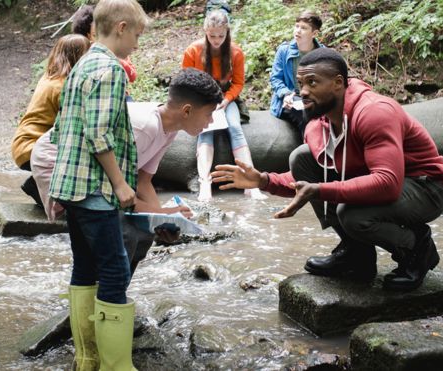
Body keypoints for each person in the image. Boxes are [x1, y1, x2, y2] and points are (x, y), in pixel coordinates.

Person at [212, 48, 443, 292]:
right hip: (382, 181)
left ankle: (417, 247)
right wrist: (263, 180)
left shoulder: (374, 112)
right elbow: (305, 178)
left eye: (313, 82)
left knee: (351, 214)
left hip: (425, 187)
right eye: (301, 83)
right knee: (302, 158)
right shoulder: (319, 122)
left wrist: (320, 190)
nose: (303, 91)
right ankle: (357, 255)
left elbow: (387, 184)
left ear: (338, 83)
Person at [32, 69, 222, 271]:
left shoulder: (169, 132)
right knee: (124, 234)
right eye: (209, 114)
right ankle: (107, 293)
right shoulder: (144, 127)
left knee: (144, 234)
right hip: (58, 162)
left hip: (100, 174)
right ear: (186, 111)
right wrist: (163, 213)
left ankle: (111, 293)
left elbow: (143, 181)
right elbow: (114, 190)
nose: (210, 121)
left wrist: (162, 221)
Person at [48, 0, 148, 369]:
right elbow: (99, 134)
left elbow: (62, 130)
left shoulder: (82, 63)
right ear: (120, 27)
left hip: (71, 186)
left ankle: (87, 358)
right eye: (136, 34)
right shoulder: (110, 69)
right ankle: (115, 365)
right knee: (115, 271)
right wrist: (122, 186)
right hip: (95, 190)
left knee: (85, 268)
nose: (137, 43)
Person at [181, 10, 265, 201]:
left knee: (235, 127)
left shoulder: (235, 52)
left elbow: (238, 83)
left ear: (227, 32)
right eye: (212, 36)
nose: (216, 40)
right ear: (205, 31)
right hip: (201, 100)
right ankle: (204, 182)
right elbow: (186, 80)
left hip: (227, 100)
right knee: (206, 130)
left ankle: (250, 183)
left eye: (221, 35)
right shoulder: (193, 50)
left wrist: (226, 101)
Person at [10, 34, 90, 206]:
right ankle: (41, 188)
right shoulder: (62, 87)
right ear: (79, 58)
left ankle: (38, 184)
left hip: (23, 145)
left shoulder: (50, 78)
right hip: (33, 147)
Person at [269, 10, 323, 138]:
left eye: (304, 28)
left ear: (314, 33)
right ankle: (310, 152)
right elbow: (275, 79)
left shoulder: (322, 54)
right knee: (306, 116)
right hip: (290, 99)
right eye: (297, 26)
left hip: (314, 99)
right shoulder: (284, 51)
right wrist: (286, 94)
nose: (298, 30)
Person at [72, 4, 138, 101]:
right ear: (87, 37)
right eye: (95, 35)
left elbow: (132, 75)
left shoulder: (116, 49)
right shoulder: (83, 55)